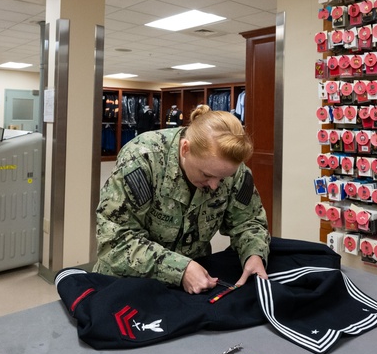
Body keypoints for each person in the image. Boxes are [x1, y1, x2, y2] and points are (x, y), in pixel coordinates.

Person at [95, 105, 269, 294]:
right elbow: (114, 241)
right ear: (185, 149)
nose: (214, 186)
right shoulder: (142, 160)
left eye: (222, 179)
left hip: (196, 287)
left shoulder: (234, 171)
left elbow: (248, 222)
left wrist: (254, 254)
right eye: (206, 174)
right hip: (127, 287)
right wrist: (179, 269)